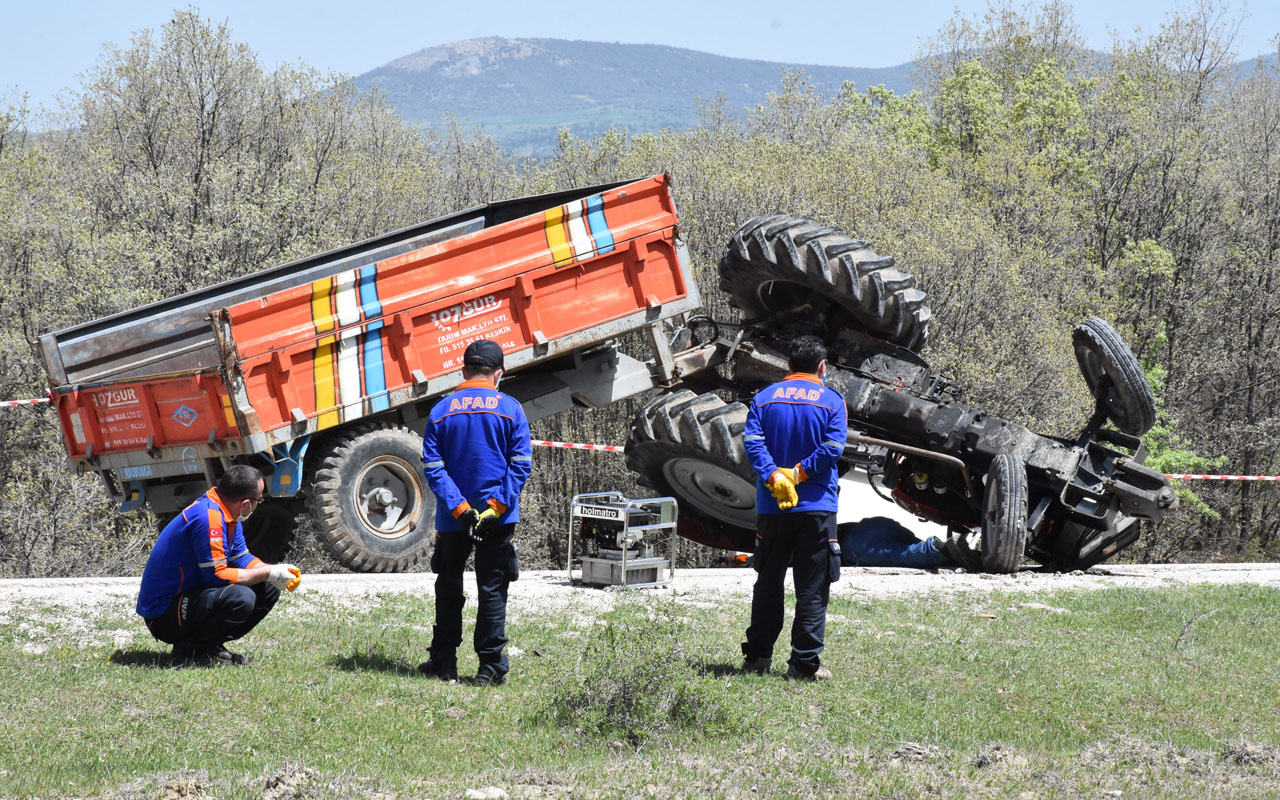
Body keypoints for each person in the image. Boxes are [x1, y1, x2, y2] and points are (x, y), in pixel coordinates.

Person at [419, 338, 532, 686]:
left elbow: (433, 467)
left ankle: (444, 663)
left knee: (449, 586)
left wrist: (461, 508)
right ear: (498, 373)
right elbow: (521, 465)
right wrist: (495, 507)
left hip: (453, 520)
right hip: (498, 520)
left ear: (463, 370)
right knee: (493, 588)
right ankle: (489, 668)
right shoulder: (511, 408)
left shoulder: (441, 410)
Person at [741, 335, 847, 681]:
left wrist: (775, 475)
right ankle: (802, 666)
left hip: (773, 510)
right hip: (817, 508)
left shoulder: (763, 398)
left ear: (787, 365)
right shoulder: (833, 401)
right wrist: (799, 474)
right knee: (812, 586)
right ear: (822, 367)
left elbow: (753, 444)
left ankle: (757, 657)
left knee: (768, 583)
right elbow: (833, 449)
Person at [136, 465, 301, 667]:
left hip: (186, 599)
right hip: (163, 614)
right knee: (241, 597)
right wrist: (268, 573)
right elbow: (217, 576)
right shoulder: (209, 517)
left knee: (268, 588)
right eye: (259, 500)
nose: (259, 504)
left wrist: (275, 572)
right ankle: (188, 651)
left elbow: (242, 558)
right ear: (246, 503)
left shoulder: (228, 514)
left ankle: (209, 647)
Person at [838, 517, 981, 570]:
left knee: (905, 556)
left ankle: (943, 550)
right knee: (911, 547)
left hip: (853, 545)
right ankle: (965, 557)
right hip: (872, 525)